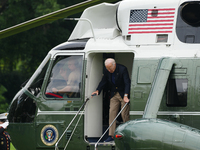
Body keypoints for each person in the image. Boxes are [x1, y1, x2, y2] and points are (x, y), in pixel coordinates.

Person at [91, 58, 130, 142]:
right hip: (114, 94)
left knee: (124, 114)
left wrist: (126, 95)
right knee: (111, 113)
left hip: (123, 94)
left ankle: (128, 134)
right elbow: (103, 81)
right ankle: (111, 135)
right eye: (107, 68)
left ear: (114, 65)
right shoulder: (107, 70)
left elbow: (127, 82)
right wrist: (98, 90)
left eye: (110, 68)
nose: (109, 70)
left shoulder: (122, 69)